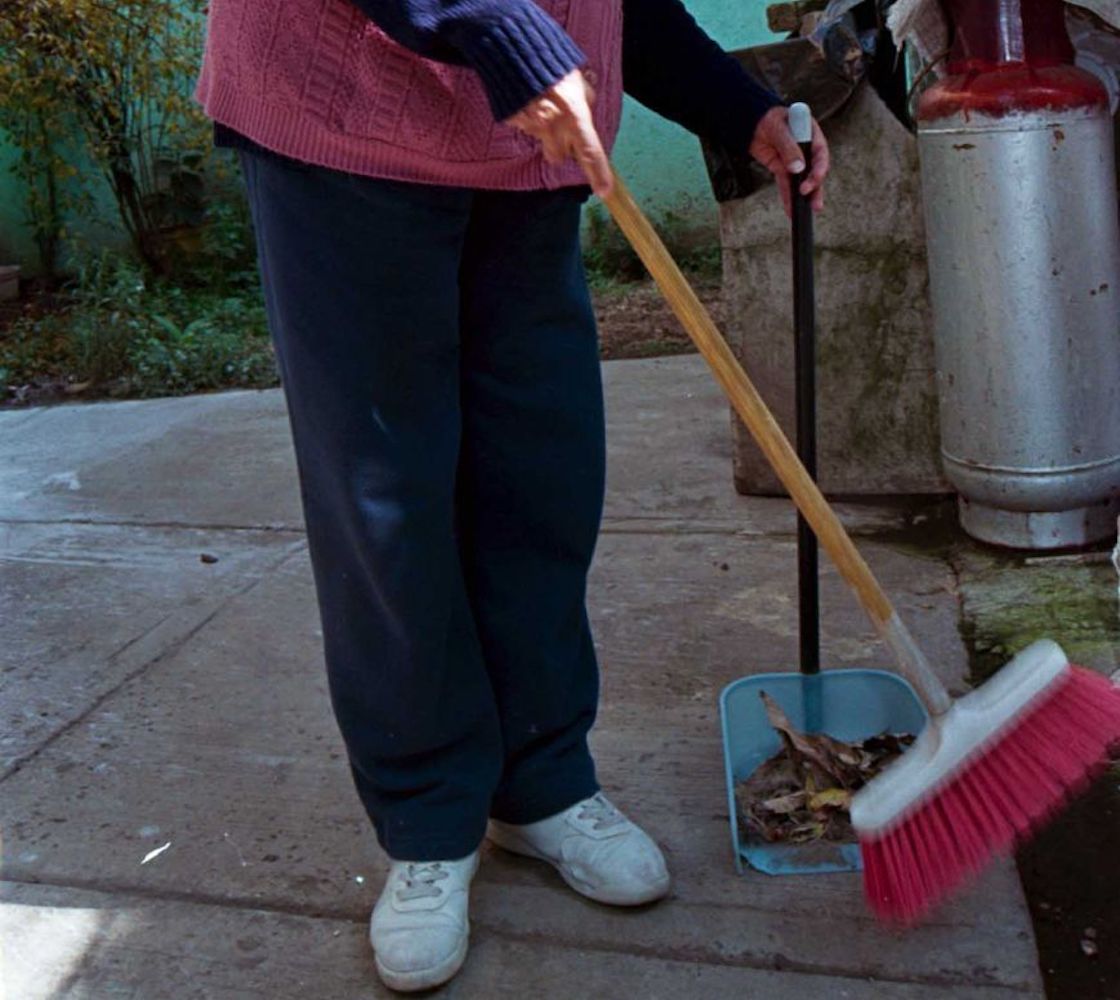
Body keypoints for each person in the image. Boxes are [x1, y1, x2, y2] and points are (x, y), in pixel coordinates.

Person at [196, 0, 829, 991]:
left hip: (525, 151)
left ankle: (539, 781)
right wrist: (501, 31)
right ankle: (428, 814)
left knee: (540, 473)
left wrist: (730, 102)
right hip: (348, 123)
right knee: (390, 497)